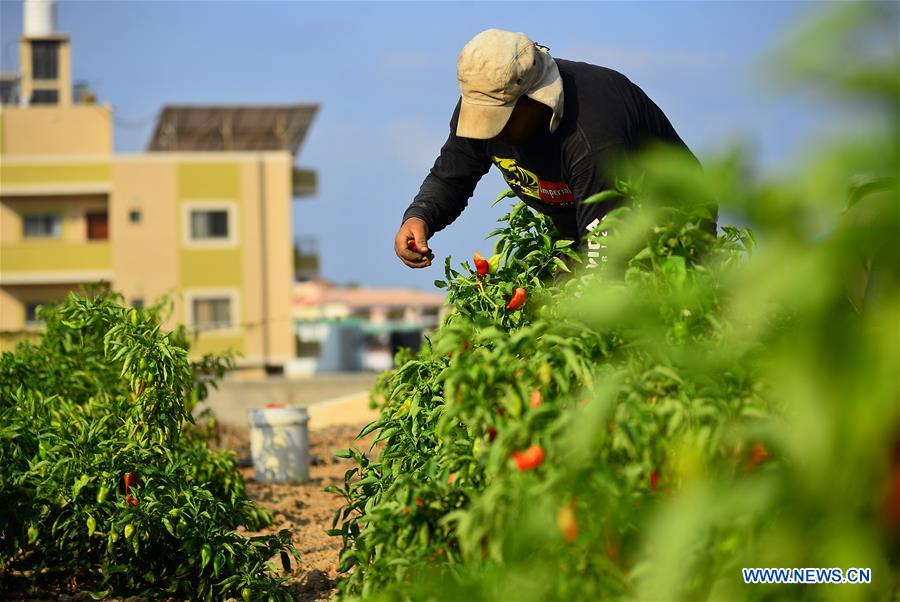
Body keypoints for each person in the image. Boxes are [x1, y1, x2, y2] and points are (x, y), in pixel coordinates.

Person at [394, 28, 714, 271]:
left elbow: (604, 252)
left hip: (667, 229)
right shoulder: (487, 96)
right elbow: (453, 175)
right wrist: (421, 216)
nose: (492, 132)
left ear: (537, 100)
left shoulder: (592, 133)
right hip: (584, 228)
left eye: (501, 119)